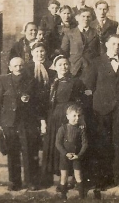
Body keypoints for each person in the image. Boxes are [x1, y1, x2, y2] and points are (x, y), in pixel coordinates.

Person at [85, 34, 119, 190]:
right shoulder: (96, 62)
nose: (116, 47)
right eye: (113, 44)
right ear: (106, 45)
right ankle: (102, 180)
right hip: (101, 110)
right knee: (102, 144)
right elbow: (88, 87)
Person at [0, 57, 40, 191]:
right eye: (15, 66)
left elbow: (37, 102)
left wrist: (30, 100)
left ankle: (30, 181)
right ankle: (14, 181)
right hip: (9, 122)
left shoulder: (31, 80)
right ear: (10, 67)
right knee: (12, 152)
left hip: (26, 122)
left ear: (24, 67)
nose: (18, 68)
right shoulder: (4, 81)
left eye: (20, 66)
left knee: (29, 152)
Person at [41, 55, 87, 188]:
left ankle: (75, 178)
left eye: (66, 64)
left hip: (72, 118)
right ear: (55, 67)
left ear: (70, 66)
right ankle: (62, 180)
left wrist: (81, 117)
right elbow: (46, 103)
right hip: (55, 119)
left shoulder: (77, 82)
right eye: (60, 64)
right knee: (60, 146)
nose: (63, 67)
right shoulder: (52, 82)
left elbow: (83, 100)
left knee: (73, 144)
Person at [56, 104, 88, 199]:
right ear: (67, 116)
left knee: (78, 175)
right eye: (74, 115)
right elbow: (58, 143)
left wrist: (79, 155)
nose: (77, 118)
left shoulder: (81, 129)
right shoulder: (63, 129)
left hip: (76, 156)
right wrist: (65, 153)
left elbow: (85, 144)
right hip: (65, 156)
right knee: (64, 176)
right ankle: (63, 196)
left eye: (79, 115)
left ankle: (82, 196)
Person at [24, 42, 56, 137]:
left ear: (45, 52)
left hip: (47, 95)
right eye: (37, 51)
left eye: (42, 51)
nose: (40, 53)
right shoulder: (27, 66)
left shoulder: (51, 65)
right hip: (33, 97)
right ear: (32, 53)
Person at [61, 8, 100, 79]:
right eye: (83, 16)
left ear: (91, 18)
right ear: (77, 18)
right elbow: (64, 52)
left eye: (88, 17)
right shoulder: (69, 33)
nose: (86, 19)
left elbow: (99, 52)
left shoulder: (96, 33)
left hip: (90, 69)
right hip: (74, 68)